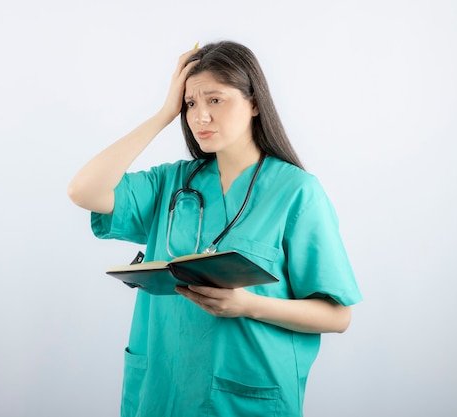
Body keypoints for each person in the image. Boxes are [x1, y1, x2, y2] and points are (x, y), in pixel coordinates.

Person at [68, 40, 362, 417]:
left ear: (254, 102)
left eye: (216, 100)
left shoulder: (296, 192)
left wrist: (247, 305)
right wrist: (163, 114)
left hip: (247, 396)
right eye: (191, 104)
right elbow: (83, 189)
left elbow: (337, 316)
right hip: (164, 392)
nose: (200, 116)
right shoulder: (171, 184)